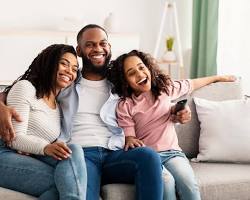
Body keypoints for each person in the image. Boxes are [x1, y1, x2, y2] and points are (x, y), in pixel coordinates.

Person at [108, 50, 236, 200]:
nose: (139, 74)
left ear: (148, 68)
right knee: (166, 183)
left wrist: (218, 77)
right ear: (125, 81)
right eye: (131, 73)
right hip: (150, 159)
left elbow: (192, 84)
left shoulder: (165, 88)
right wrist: (129, 139)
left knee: (189, 184)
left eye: (141, 67)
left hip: (173, 154)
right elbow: (129, 136)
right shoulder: (126, 105)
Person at [0, 44, 87, 200]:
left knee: (73, 150)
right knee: (62, 182)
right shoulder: (25, 88)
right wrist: (45, 147)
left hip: (31, 156)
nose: (70, 71)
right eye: (64, 63)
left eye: (74, 69)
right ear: (49, 63)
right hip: (5, 153)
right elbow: (14, 139)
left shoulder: (58, 107)